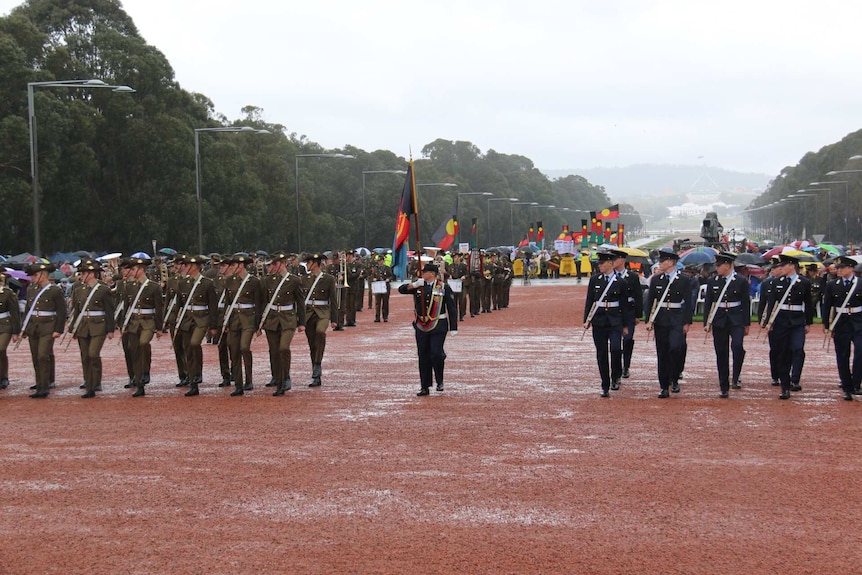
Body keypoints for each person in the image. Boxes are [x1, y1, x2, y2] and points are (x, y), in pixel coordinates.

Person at [398, 262, 458, 396]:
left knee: (436, 354)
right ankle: (424, 386)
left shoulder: (443, 287)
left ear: (432, 274)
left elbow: (452, 307)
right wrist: (413, 285)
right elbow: (401, 290)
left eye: (425, 272)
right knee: (423, 355)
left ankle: (440, 380)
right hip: (421, 326)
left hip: (438, 325)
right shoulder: (420, 286)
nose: (422, 274)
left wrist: (453, 327)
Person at [763, 254, 814, 400]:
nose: (781, 268)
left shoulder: (803, 282)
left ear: (792, 266)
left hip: (797, 321)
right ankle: (785, 387)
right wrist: (768, 322)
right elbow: (771, 304)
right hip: (781, 321)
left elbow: (808, 304)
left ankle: (795, 378)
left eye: (784, 265)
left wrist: (808, 322)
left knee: (797, 348)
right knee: (782, 353)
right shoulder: (776, 283)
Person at [644, 248, 693, 398]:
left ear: (671, 262)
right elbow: (650, 300)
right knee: (662, 352)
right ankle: (664, 386)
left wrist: (687, 322)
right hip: (661, 319)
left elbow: (688, 303)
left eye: (663, 261)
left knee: (675, 348)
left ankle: (675, 377)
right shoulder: (657, 280)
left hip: (677, 318)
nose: (660, 263)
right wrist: (648, 320)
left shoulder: (684, 280)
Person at [702, 252, 750, 398]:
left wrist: (746, 323)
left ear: (728, 265)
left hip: (736, 319)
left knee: (737, 346)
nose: (716, 268)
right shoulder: (713, 281)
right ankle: (724, 386)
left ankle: (736, 376)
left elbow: (745, 303)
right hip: (719, 319)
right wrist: (707, 322)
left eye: (719, 265)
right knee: (721, 352)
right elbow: (708, 303)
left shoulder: (741, 281)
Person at [258, 250, 306, 396]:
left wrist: (301, 322)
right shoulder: (267, 281)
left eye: (276, 263)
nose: (274, 266)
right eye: (272, 264)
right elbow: (263, 302)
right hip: (272, 319)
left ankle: (286, 377)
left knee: (283, 348)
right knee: (274, 351)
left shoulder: (294, 280)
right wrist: (259, 323)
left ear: (284, 263)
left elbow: (300, 302)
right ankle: (279, 381)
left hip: (288, 319)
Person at [584, 251, 628, 397]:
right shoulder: (595, 280)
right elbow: (590, 300)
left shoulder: (621, 282)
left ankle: (616, 375)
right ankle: (605, 384)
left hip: (615, 320)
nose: (600, 265)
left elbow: (624, 305)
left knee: (616, 349)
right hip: (599, 320)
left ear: (610, 263)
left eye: (602, 263)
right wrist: (587, 319)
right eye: (599, 263)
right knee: (601, 353)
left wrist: (626, 325)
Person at [68, 259, 115, 398]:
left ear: (91, 274)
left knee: (93, 354)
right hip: (83, 325)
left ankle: (96, 381)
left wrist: (110, 329)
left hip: (98, 325)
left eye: (83, 273)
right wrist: (73, 328)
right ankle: (89, 384)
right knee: (85, 356)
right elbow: (77, 311)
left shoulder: (103, 290)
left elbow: (109, 310)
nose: (81, 276)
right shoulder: (78, 290)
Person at [120, 254, 164, 397]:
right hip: (133, 322)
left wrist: (159, 327)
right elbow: (126, 307)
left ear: (141, 269)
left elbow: (159, 308)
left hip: (148, 322)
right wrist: (124, 325)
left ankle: (146, 370)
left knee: (143, 343)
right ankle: (140, 383)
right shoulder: (129, 287)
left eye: (133, 269)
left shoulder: (153, 287)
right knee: (134, 350)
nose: (130, 271)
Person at [21, 261, 67, 398]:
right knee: (35, 356)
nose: (33, 279)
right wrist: (24, 327)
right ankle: (39, 384)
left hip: (48, 326)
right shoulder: (31, 289)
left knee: (43, 355)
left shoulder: (55, 290)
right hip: (34, 326)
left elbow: (61, 311)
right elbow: (28, 310)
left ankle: (45, 386)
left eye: (35, 275)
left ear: (43, 275)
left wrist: (58, 329)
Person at [175, 255, 218, 397]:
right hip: (187, 319)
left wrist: (213, 325)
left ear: (194, 267)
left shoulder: (206, 283)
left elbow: (213, 306)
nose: (184, 268)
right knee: (188, 350)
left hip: (201, 319)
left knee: (194, 343)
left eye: (186, 266)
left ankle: (198, 373)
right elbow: (179, 305)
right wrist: (176, 322)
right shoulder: (183, 283)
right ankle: (193, 383)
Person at [222, 253, 264, 396]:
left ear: (241, 266)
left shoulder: (253, 281)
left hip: (248, 319)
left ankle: (249, 379)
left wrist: (258, 325)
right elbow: (228, 303)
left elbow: (258, 304)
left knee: (244, 347)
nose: (231, 267)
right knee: (234, 350)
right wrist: (226, 322)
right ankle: (238, 385)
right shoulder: (229, 281)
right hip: (234, 319)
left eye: (234, 265)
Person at [822, 255, 862, 400]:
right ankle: (847, 386)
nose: (838, 270)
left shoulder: (860, 283)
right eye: (837, 268)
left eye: (842, 268)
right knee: (843, 355)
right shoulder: (832, 285)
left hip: (859, 322)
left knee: (860, 352)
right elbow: (827, 306)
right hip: (841, 323)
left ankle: (856, 383)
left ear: (851, 269)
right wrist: (827, 325)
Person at [302, 253, 338, 387]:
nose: (306, 265)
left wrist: (335, 319)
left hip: (323, 312)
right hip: (308, 314)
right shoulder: (304, 279)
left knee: (320, 332)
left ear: (315, 263)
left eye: (308, 262)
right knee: (312, 344)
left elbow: (333, 300)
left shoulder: (328, 279)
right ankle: (316, 374)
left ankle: (317, 364)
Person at [610, 250, 643, 383]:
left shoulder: (632, 277)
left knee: (628, 339)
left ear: (622, 260)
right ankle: (616, 371)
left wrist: (638, 315)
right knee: (615, 343)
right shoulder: (609, 275)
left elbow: (638, 296)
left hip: (629, 311)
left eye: (615, 259)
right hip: (614, 311)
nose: (613, 262)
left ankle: (626, 365)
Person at [0, 268, 22, 390]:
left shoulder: (7, 293)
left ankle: (4, 377)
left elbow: (14, 313)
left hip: (4, 325)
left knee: (1, 349)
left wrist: (15, 331)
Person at [369, 254, 395, 322]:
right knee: (377, 302)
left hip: (385, 286)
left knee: (385, 302)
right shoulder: (375, 268)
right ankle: (377, 316)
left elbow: (391, 276)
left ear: (383, 261)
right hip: (378, 286)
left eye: (380, 261)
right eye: (378, 261)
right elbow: (371, 276)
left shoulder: (387, 268)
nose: (379, 262)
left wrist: (388, 279)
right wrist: (373, 279)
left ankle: (385, 316)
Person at [448, 252, 469, 321]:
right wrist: (449, 276)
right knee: (453, 301)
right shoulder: (451, 266)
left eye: (457, 257)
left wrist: (464, 276)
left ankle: (461, 315)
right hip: (453, 284)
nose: (456, 259)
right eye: (454, 258)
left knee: (462, 301)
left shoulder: (463, 266)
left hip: (461, 284)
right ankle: (454, 315)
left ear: (460, 258)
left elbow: (467, 274)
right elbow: (449, 273)